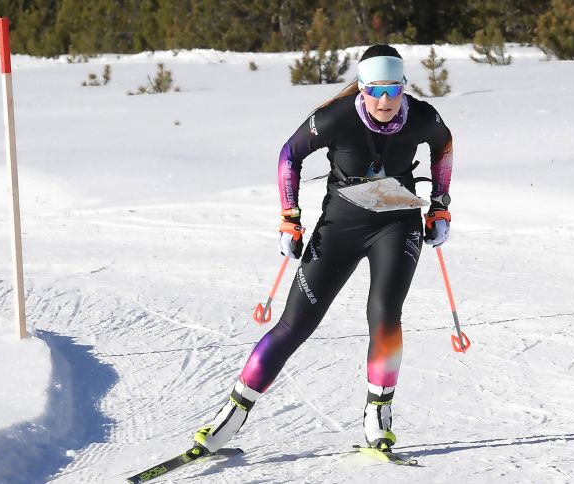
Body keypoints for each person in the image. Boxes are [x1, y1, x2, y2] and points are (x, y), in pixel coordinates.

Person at [193, 44, 454, 454]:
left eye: (393, 90)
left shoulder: (421, 116)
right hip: (340, 227)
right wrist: (289, 217)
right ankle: (232, 414)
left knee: (384, 313)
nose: (385, 101)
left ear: (403, 87)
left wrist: (440, 207)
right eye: (375, 91)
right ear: (362, 89)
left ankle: (378, 416)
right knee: (295, 323)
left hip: (397, 224)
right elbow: (289, 155)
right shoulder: (335, 117)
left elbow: (444, 146)